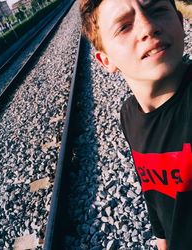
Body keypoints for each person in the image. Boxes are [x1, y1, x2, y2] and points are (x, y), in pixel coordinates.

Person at [79, 0, 192, 249]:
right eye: (124, 26)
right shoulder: (129, 115)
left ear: (180, 22)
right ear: (105, 60)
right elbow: (156, 196)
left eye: (157, 10)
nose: (147, 27)